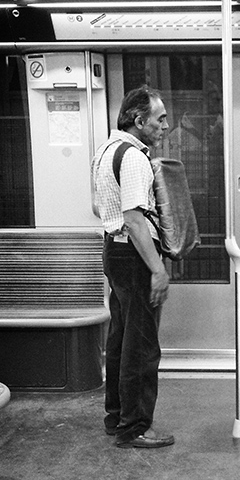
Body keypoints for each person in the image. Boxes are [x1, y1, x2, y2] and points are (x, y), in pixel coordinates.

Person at [91, 85, 174, 449]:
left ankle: (117, 417)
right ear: (139, 121)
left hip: (114, 250)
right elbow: (135, 220)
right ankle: (136, 426)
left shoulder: (105, 152)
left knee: (121, 338)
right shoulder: (135, 158)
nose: (165, 126)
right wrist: (157, 269)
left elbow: (99, 207)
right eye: (160, 119)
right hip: (135, 254)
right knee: (141, 344)